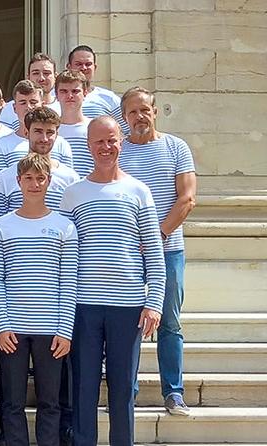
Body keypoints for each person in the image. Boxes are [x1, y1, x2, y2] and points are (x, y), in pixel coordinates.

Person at [59, 116, 165, 446]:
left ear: (121, 141)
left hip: (128, 306)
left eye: (111, 140)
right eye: (98, 142)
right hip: (84, 307)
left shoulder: (138, 190)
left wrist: (154, 302)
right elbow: (63, 255)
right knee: (84, 391)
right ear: (88, 146)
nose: (106, 147)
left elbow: (153, 251)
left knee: (122, 391)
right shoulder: (72, 193)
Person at [0, 153, 78, 446]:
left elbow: (69, 282)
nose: (34, 184)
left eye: (40, 178)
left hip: (51, 330)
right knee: (12, 402)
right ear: (18, 182)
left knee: (50, 402)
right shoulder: (1, 226)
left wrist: (65, 330)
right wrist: (1, 325)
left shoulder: (65, 227)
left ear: (49, 182)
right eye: (28, 178)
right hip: (12, 328)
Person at [119, 87, 197, 416]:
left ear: (155, 112)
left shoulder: (175, 147)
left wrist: (157, 236)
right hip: (126, 254)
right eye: (133, 112)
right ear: (124, 117)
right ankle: (126, 393)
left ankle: (174, 392)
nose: (140, 117)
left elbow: (187, 198)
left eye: (145, 110)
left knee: (170, 323)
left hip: (168, 250)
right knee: (127, 325)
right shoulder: (117, 150)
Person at [0, 106, 79, 223]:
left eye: (50, 132)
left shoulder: (70, 178)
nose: (44, 138)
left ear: (57, 135)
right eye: (38, 131)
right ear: (26, 132)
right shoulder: (5, 177)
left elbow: (74, 222)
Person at [0, 81, 74, 188]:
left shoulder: (61, 143)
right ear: (14, 108)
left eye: (33, 102)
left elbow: (68, 180)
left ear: (43, 105)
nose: (29, 107)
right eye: (23, 102)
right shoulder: (1, 145)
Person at [66, 45, 128, 134]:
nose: (83, 68)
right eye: (78, 64)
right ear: (68, 67)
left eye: (88, 64)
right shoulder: (56, 97)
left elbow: (127, 131)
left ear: (94, 67)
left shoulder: (108, 98)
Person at [0, 53, 61, 130]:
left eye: (46, 73)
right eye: (36, 73)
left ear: (56, 77)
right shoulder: (10, 108)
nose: (41, 78)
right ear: (28, 77)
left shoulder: (63, 107)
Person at [56, 70, 93, 178]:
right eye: (64, 91)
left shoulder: (95, 128)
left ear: (85, 93)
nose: (69, 95)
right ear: (57, 95)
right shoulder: (49, 130)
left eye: (75, 91)